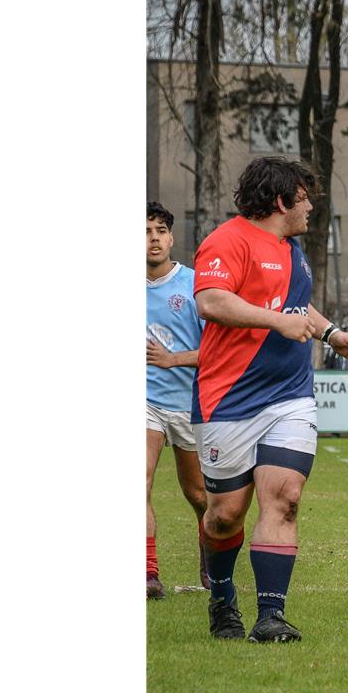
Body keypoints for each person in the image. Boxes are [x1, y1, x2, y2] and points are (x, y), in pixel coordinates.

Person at [192, 156, 348, 642]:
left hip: (290, 396)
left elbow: (293, 305)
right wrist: (278, 323)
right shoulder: (227, 240)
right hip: (226, 399)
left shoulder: (293, 251)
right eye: (304, 196)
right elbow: (211, 300)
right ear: (281, 199)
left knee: (285, 498)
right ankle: (222, 597)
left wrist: (330, 333)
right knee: (224, 515)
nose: (311, 205)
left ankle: (271, 615)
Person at [146, 201, 209, 599]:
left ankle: (211, 559)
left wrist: (172, 360)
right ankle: (148, 574)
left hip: (188, 403)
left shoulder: (192, 285)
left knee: (201, 497)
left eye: (159, 230)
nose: (152, 238)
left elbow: (218, 350)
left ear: (170, 238)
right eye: (144, 231)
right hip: (145, 401)